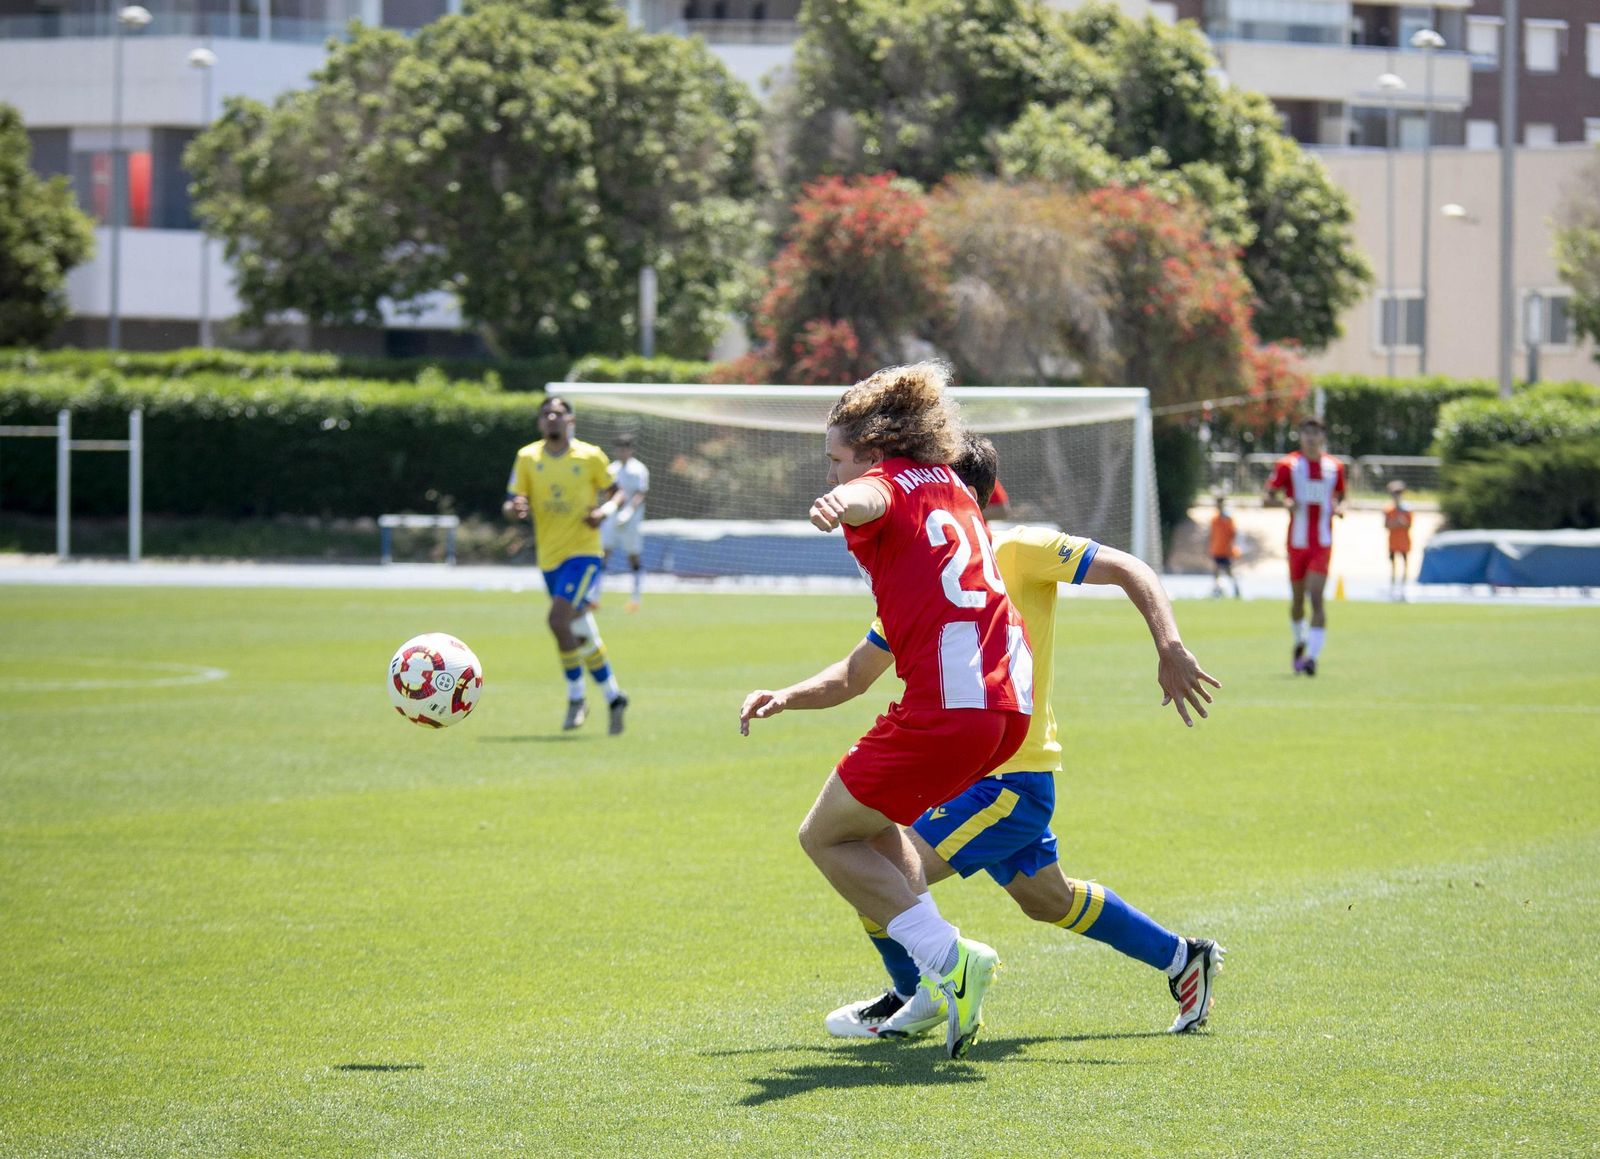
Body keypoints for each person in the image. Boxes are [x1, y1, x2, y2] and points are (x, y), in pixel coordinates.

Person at [743, 435, 1225, 1041]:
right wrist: (785, 695)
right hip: (975, 773)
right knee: (1046, 899)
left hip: (1008, 777)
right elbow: (853, 674)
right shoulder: (924, 575)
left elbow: (1130, 566)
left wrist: (1170, 644)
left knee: (876, 864)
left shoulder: (1018, 548)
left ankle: (916, 994)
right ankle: (1185, 958)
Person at [746, 362, 1033, 1060]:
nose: (833, 474)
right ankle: (935, 985)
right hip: (1003, 706)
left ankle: (952, 959)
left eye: (836, 460)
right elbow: (861, 664)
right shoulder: (952, 486)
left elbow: (872, 494)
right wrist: (789, 694)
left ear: (873, 451)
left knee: (824, 836)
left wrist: (839, 505)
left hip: (947, 707)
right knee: (874, 829)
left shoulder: (880, 485)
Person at [503, 395, 630, 734]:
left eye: (559, 414)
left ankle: (576, 696)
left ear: (571, 421)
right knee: (579, 630)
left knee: (558, 621)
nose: (552, 419)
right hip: (549, 558)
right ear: (540, 422)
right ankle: (614, 695)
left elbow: (618, 493)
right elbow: (513, 500)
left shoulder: (589, 456)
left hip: (585, 554)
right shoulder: (527, 457)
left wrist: (603, 513)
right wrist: (514, 509)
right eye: (546, 414)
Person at [1263, 417, 1345, 677]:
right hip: (1296, 543)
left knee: (1317, 597)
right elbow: (1267, 497)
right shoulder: (1289, 465)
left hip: (1322, 543)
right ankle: (1299, 641)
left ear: (1323, 437)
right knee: (1298, 601)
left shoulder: (1335, 467)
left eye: (1315, 433)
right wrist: (1284, 504)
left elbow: (1341, 496)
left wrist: (1340, 508)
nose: (1311, 438)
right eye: (1306, 433)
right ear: (1300, 437)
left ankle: (1312, 657)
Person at [601, 434, 650, 612]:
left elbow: (640, 493)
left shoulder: (639, 469)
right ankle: (594, 597)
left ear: (631, 450)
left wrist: (629, 511)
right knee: (604, 554)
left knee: (633, 556)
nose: (622, 451)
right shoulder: (611, 469)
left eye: (626, 448)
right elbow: (607, 492)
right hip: (613, 518)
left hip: (632, 520)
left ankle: (635, 598)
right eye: (619, 448)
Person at [1385, 479, 1413, 601]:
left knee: (1405, 564)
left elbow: (1409, 524)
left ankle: (1403, 586)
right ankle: (1392, 586)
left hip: (1404, 541)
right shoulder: (1389, 509)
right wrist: (1397, 523)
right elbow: (1387, 525)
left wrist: (1400, 523)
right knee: (1393, 565)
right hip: (1393, 541)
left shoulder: (1407, 509)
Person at [1209, 495, 1242, 599]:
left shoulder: (1228, 518)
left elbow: (1233, 533)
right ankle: (1218, 590)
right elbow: (1212, 534)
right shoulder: (1215, 518)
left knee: (1229, 572)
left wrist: (1230, 546)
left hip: (1226, 550)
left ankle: (1236, 590)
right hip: (1217, 550)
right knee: (1216, 572)